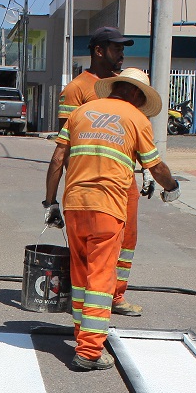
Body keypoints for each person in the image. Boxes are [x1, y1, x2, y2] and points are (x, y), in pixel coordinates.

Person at [44, 70, 181, 371]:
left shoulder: (81, 113)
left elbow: (57, 159)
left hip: (74, 205)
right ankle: (90, 352)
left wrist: (51, 202)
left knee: (81, 277)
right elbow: (155, 167)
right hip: (107, 208)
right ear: (135, 93)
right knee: (101, 278)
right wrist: (172, 187)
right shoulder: (136, 119)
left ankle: (83, 334)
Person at [58, 28, 146, 317]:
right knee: (93, 247)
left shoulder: (121, 86)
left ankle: (116, 295)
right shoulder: (76, 89)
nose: (122, 54)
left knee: (126, 240)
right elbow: (67, 145)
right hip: (92, 182)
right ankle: (93, 301)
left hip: (124, 178)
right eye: (116, 48)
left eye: (122, 49)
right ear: (98, 51)